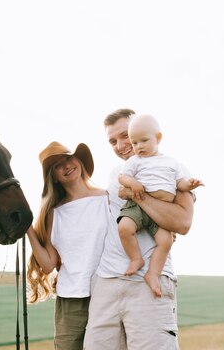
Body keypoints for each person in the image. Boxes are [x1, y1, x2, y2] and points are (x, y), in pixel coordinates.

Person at [84, 108, 195, 350]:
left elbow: (183, 222)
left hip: (148, 285)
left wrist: (138, 196)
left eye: (125, 135)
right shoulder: (117, 174)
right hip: (106, 282)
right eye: (112, 141)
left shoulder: (171, 169)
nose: (121, 145)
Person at [26, 141, 109, 350]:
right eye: (57, 165)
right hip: (70, 298)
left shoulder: (108, 198)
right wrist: (28, 230)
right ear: (53, 176)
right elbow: (48, 264)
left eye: (68, 158)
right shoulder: (54, 213)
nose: (66, 165)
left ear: (79, 160)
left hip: (108, 293)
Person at [117, 113, 203, 297]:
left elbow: (181, 183)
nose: (138, 147)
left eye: (143, 141)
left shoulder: (172, 163)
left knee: (165, 242)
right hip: (137, 208)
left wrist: (191, 184)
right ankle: (136, 259)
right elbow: (122, 178)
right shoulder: (135, 161)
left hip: (160, 210)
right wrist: (132, 184)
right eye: (135, 143)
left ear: (158, 138)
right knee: (124, 227)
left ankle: (153, 274)